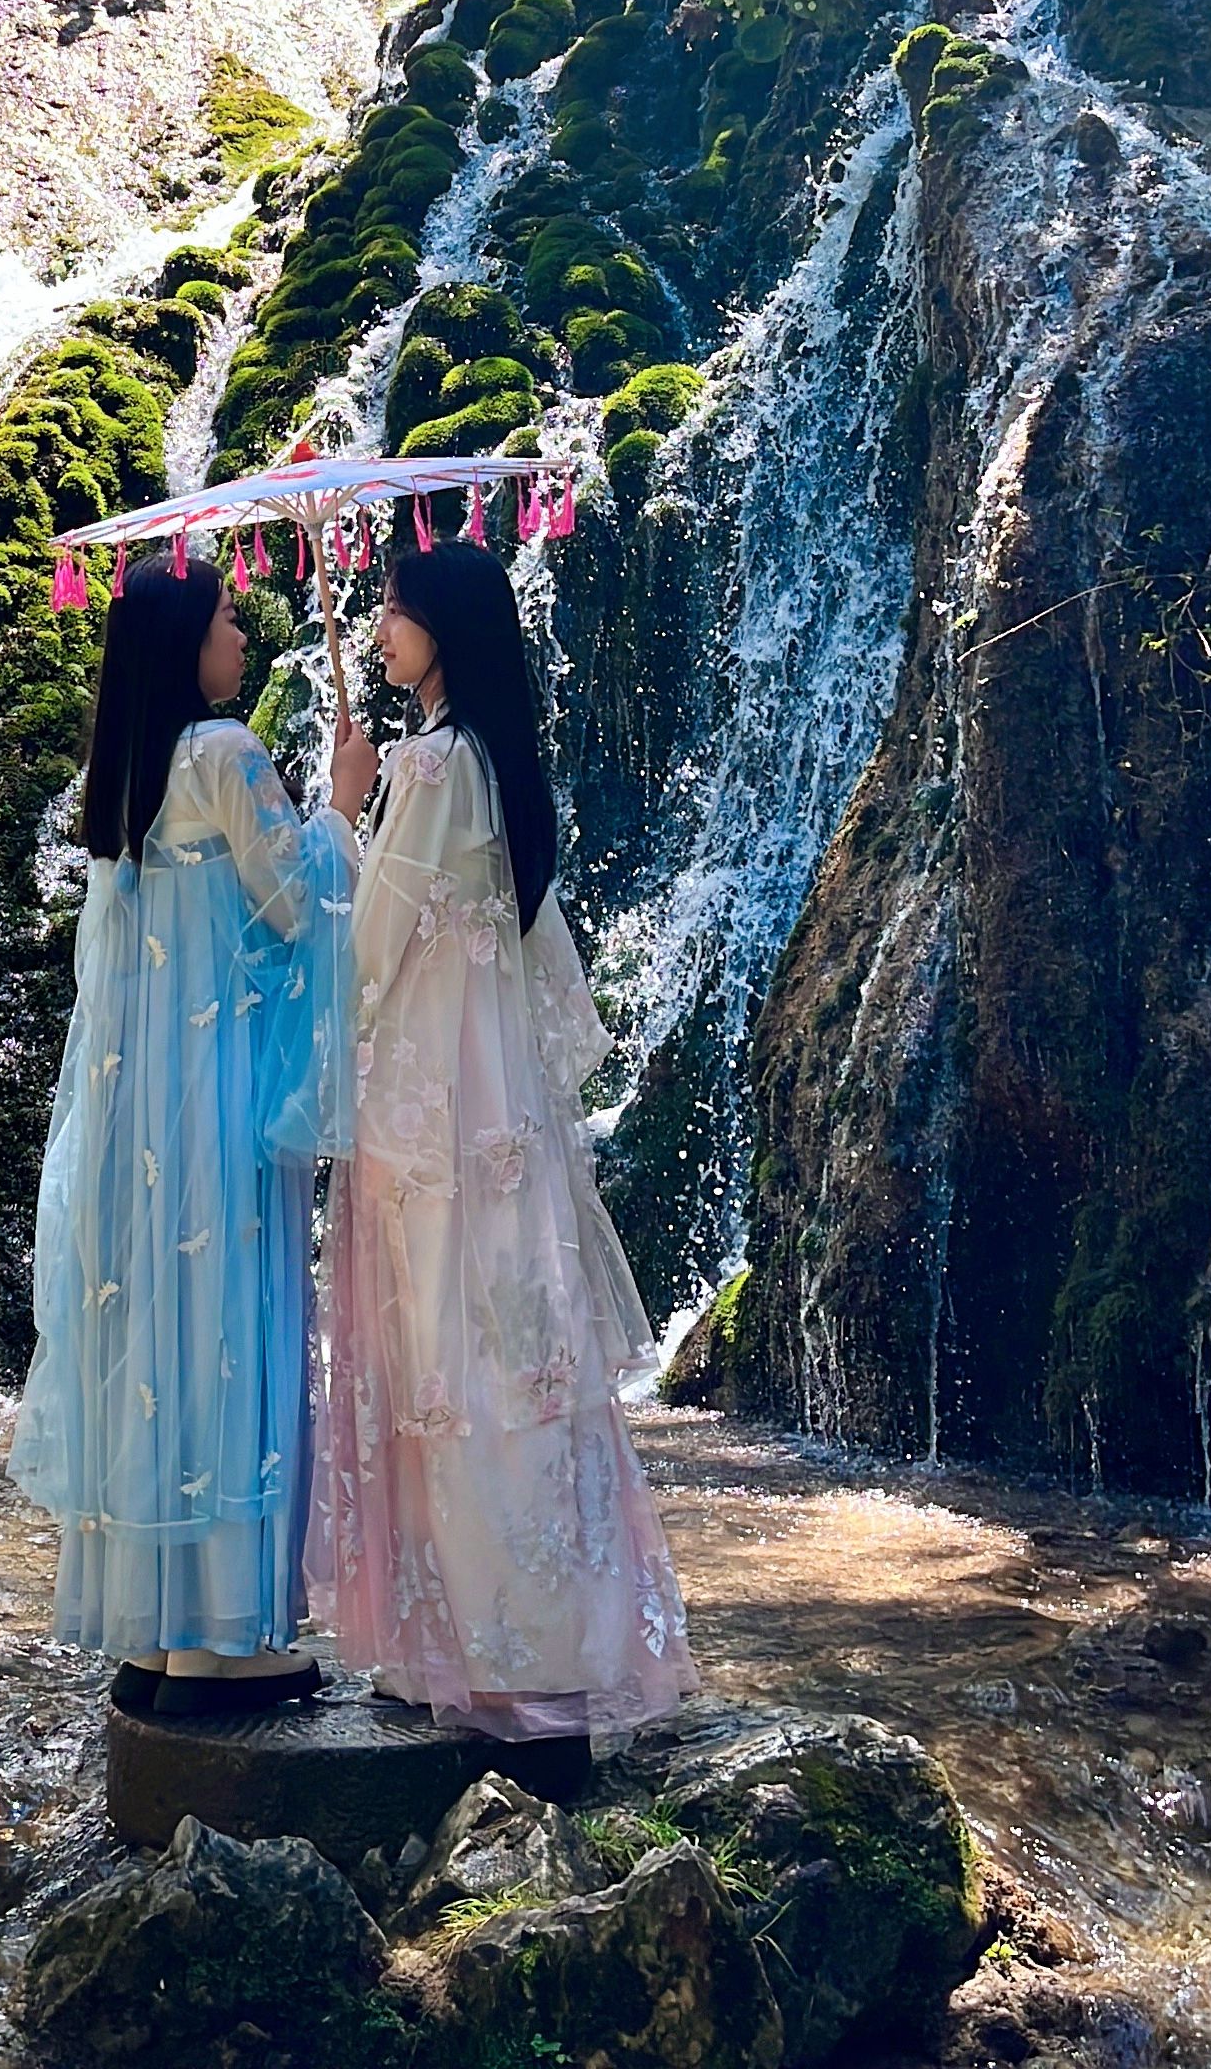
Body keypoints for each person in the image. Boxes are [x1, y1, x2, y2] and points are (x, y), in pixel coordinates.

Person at [306, 540, 696, 1744]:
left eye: (394, 611)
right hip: (497, 1108)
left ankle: (479, 1651)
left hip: (431, 1115)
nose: (378, 629)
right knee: (513, 1359)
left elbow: (366, 948)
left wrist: (342, 811)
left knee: (445, 1366)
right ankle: (534, 1636)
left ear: (445, 630)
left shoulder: (430, 766)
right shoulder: (492, 760)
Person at [11, 555, 378, 1718]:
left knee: (159, 1343)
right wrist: (344, 802)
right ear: (186, 639)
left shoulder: (130, 769)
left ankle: (162, 1628)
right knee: (230, 1325)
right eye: (226, 617)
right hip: (219, 1099)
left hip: (140, 1103)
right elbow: (297, 904)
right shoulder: (223, 750)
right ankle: (227, 1640)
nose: (242, 633)